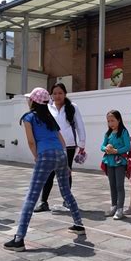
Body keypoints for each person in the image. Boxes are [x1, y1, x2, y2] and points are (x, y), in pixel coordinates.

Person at [4, 88, 85, 252]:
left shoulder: (28, 118)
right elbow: (61, 140)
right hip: (60, 155)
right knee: (66, 191)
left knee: (31, 196)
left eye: (29, 99)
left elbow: (31, 142)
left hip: (45, 155)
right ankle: (79, 225)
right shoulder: (50, 118)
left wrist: (36, 157)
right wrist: (66, 163)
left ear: (33, 101)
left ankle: (19, 239)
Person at [34, 83, 86, 213]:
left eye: (60, 93)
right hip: (51, 145)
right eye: (55, 93)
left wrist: (82, 143)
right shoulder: (47, 107)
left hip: (68, 145)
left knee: (65, 173)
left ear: (65, 94)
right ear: (51, 95)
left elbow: (80, 125)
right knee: (49, 174)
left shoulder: (72, 107)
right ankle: (43, 202)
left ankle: (67, 200)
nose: (57, 96)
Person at [101, 110, 131, 220]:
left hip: (120, 162)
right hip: (109, 162)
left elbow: (128, 147)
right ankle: (113, 206)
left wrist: (116, 151)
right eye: (108, 121)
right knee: (112, 185)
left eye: (113, 120)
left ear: (119, 120)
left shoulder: (123, 132)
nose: (111, 123)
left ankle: (120, 209)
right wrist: (106, 148)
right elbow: (102, 146)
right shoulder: (108, 133)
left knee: (119, 185)